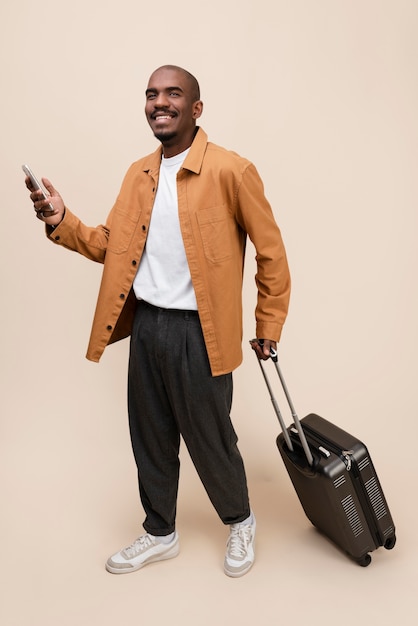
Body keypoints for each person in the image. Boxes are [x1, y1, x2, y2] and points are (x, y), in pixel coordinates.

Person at [25, 65, 291, 578]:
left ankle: (240, 520)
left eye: (173, 93)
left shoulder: (232, 171)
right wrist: (61, 219)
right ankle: (159, 531)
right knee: (149, 435)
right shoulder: (138, 174)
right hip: (146, 325)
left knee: (210, 436)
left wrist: (268, 324)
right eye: (151, 94)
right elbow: (110, 245)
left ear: (196, 109)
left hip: (201, 332)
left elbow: (272, 253)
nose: (159, 102)